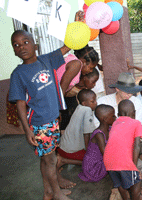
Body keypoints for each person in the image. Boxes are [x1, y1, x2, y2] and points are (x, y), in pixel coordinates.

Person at [8, 12, 84, 199]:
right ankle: (56, 193)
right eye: (16, 45)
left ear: (35, 44)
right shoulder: (18, 74)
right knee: (50, 160)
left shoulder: (46, 60)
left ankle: (48, 193)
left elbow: (67, 47)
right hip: (40, 123)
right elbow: (19, 104)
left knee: (46, 158)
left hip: (52, 119)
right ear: (14, 51)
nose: (21, 47)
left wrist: (77, 27)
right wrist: (27, 130)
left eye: (25, 42)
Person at [95, 72, 142, 180]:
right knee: (138, 170)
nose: (129, 95)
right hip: (116, 147)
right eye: (126, 91)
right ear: (117, 89)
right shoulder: (104, 102)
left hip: (134, 142)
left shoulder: (136, 102)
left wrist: (141, 134)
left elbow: (137, 125)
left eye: (132, 92)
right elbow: (99, 131)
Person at [104, 100, 142, 200]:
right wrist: (134, 168)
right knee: (137, 181)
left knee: (120, 184)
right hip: (123, 162)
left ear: (118, 115)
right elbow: (137, 147)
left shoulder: (115, 123)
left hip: (108, 162)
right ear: (134, 113)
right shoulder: (136, 123)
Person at [56, 89, 97, 188]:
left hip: (62, 147)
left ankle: (61, 158)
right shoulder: (87, 110)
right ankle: (63, 161)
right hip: (70, 152)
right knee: (95, 161)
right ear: (84, 103)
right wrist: (88, 150)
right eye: (93, 101)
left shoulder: (79, 107)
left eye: (95, 100)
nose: (96, 103)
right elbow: (86, 133)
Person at [57, 45, 99, 131]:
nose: (91, 71)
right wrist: (57, 110)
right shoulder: (76, 65)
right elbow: (61, 89)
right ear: (83, 62)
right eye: (91, 68)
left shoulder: (73, 61)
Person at [78, 104, 116, 182]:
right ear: (105, 119)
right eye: (113, 116)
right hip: (93, 167)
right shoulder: (99, 134)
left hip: (101, 160)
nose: (115, 117)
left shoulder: (109, 129)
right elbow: (106, 154)